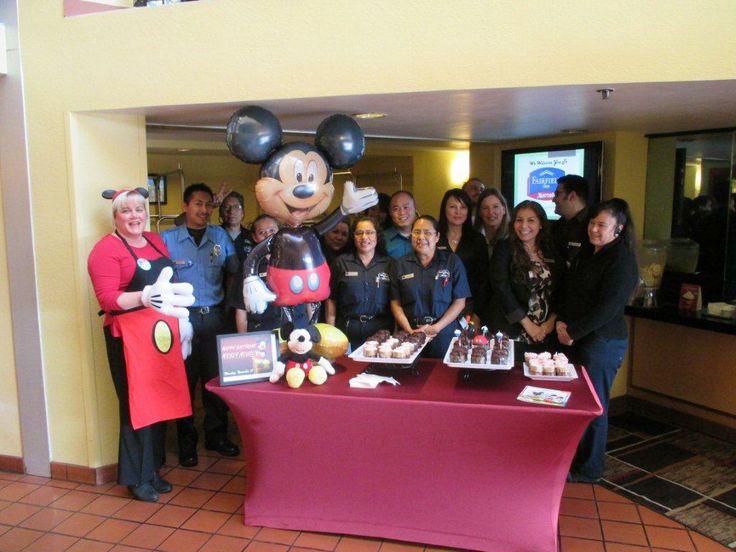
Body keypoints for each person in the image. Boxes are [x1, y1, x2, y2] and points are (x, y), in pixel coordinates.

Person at [88, 188, 194, 502]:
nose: (135, 216)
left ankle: (152, 470)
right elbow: (107, 299)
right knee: (136, 405)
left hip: (159, 334)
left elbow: (170, 286)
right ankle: (136, 477)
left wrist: (182, 322)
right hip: (126, 335)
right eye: (127, 211)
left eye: (139, 209)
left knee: (159, 400)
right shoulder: (106, 250)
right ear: (115, 216)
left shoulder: (154, 241)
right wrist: (143, 297)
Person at [556, 198, 639, 483]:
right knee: (578, 405)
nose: (594, 229)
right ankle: (576, 461)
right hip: (580, 339)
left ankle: (589, 469)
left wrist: (573, 332)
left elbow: (608, 308)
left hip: (603, 343)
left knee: (594, 406)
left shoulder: (622, 260)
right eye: (592, 223)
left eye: (602, 225)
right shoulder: (589, 254)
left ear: (619, 228)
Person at [161, 183, 240, 467]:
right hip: (182, 321)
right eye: (197, 204)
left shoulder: (220, 237)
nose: (204, 210)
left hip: (215, 318)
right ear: (185, 206)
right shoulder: (167, 239)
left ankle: (216, 436)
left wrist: (228, 310)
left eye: (208, 204)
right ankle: (186, 443)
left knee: (214, 382)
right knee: (184, 384)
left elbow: (234, 273)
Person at [390, 215, 471, 358]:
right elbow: (395, 304)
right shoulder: (400, 265)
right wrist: (409, 330)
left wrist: (435, 328)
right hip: (411, 334)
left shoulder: (452, 261)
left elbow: (460, 302)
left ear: (437, 237)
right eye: (416, 232)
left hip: (444, 332)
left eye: (427, 233)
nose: (421, 237)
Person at [488, 200, 561, 358]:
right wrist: (528, 325)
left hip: (545, 331)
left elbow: (563, 288)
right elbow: (501, 289)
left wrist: (550, 322)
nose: (524, 226)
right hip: (513, 328)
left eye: (531, 220)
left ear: (541, 224)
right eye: (519, 220)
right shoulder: (504, 248)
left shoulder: (551, 250)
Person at [231, 215, 308, 332]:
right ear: (254, 237)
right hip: (263, 333)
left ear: (280, 232)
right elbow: (241, 309)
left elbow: (311, 300)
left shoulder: (298, 260)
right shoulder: (248, 266)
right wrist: (244, 342)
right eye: (262, 232)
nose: (268, 236)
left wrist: (312, 330)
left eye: (272, 230)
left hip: (298, 330)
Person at [326, 217, 394, 349]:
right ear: (353, 237)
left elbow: (396, 302)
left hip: (381, 332)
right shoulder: (340, 263)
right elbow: (331, 299)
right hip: (347, 330)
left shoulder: (390, 264)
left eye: (369, 232)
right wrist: (331, 331)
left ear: (377, 235)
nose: (364, 237)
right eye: (359, 233)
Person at [437, 188, 489, 322]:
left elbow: (483, 280)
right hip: (438, 306)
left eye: (463, 207)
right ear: (444, 209)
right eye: (453, 207)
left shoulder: (477, 240)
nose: (458, 212)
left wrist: (478, 314)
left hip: (469, 306)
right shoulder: (435, 237)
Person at [552, 174, 590, 267]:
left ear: (572, 196)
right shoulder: (556, 227)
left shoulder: (593, 226)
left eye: (557, 194)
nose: (553, 199)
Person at [474, 187, 510, 260]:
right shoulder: (474, 239)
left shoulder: (512, 238)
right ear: (479, 212)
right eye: (485, 208)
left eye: (495, 207)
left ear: (504, 210)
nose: (490, 212)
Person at [219, 191, 253, 263]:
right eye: (226, 207)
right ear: (221, 213)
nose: (231, 211)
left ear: (242, 213)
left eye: (236, 207)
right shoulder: (213, 234)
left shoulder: (252, 237)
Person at [384, 190, 418, 259]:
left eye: (406, 207)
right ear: (390, 212)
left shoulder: (426, 236)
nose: (402, 212)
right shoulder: (382, 238)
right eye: (396, 209)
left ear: (415, 207)